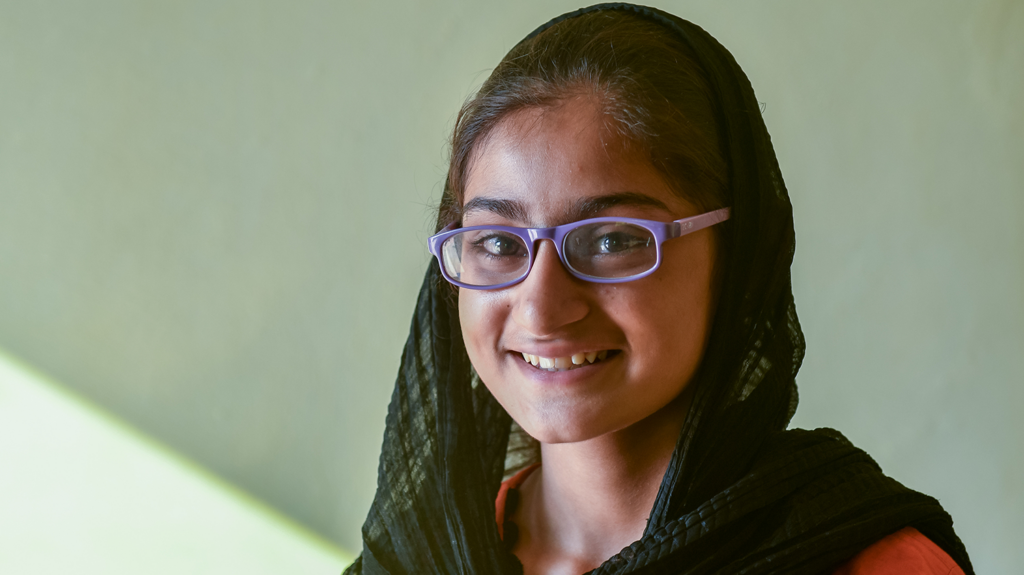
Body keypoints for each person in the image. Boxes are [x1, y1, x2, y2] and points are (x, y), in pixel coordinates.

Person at [346, 4, 973, 574]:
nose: (541, 306)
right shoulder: (411, 564)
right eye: (499, 243)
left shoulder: (870, 566)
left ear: (738, 255)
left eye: (613, 240)